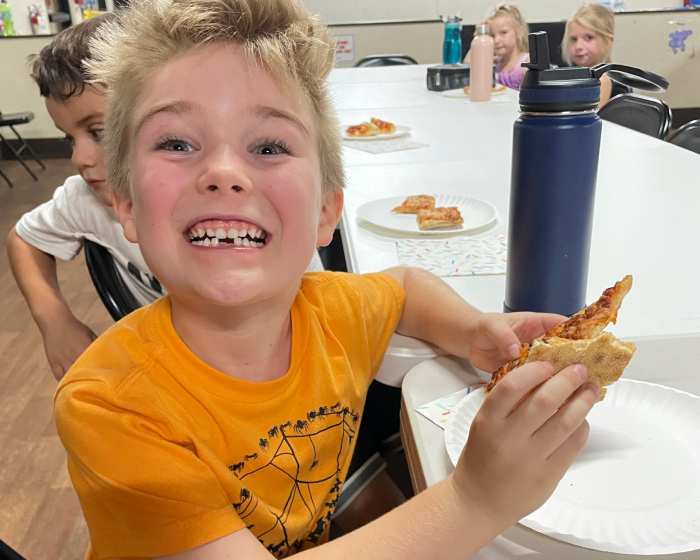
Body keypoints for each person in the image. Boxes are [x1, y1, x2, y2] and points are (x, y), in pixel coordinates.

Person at [54, 1, 599, 559]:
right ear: (125, 204)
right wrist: (475, 502)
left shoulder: (327, 311)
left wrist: (474, 329)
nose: (222, 173)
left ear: (325, 212)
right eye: (176, 143)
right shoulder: (111, 406)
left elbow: (405, 287)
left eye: (268, 146)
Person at [6, 14, 323, 382]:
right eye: (69, 139)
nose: (79, 158)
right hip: (172, 380)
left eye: (98, 132)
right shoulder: (87, 199)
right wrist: (53, 318)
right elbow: (23, 240)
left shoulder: (254, 215)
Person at [563, 3, 627, 107]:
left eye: (589, 38)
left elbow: (586, 118)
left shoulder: (603, 81)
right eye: (573, 39)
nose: (578, 46)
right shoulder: (570, 78)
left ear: (607, 42)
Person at [487, 4, 530, 90]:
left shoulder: (527, 63)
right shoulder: (495, 63)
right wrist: (479, 35)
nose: (496, 40)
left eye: (503, 32)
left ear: (519, 33)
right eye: (492, 35)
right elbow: (467, 71)